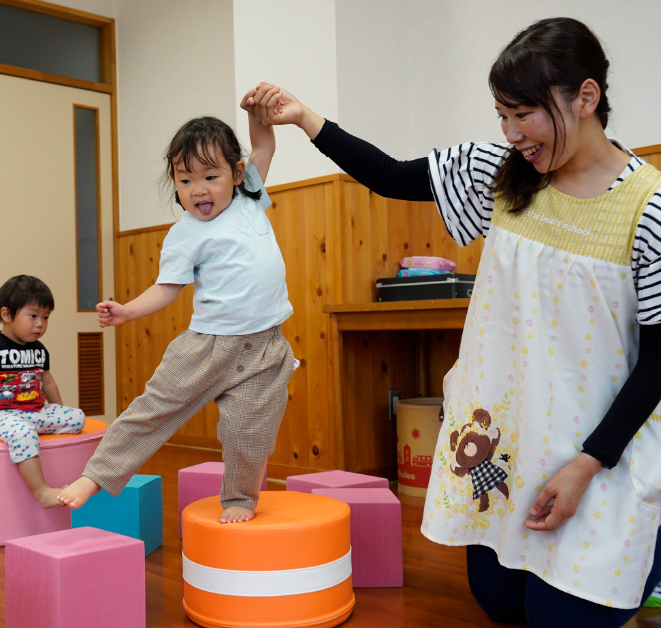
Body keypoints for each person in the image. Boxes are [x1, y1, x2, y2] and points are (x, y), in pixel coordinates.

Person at [245, 16, 661, 628]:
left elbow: (658, 360)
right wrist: (307, 118)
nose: (512, 132)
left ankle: (649, 548)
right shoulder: (501, 171)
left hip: (599, 449)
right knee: (498, 602)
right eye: (502, 115)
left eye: (525, 114)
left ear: (587, 98)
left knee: (558, 619)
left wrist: (587, 463)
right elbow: (388, 176)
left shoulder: (648, 206)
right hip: (513, 437)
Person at [58, 95, 297, 524]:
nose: (198, 189)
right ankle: (95, 476)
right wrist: (128, 311)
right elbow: (166, 288)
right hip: (206, 347)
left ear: (237, 174)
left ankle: (240, 499)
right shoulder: (185, 234)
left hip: (265, 348)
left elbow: (265, 147)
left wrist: (254, 116)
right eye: (185, 181)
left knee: (249, 434)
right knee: (153, 411)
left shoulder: (249, 199)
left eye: (210, 176)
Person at [0, 275, 86, 508]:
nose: (40, 324)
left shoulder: (39, 349)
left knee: (77, 417)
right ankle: (42, 492)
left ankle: (34, 430)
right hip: (0, 414)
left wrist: (59, 407)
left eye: (46, 317)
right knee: (23, 433)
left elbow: (47, 381)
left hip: (34, 412)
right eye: (33, 316)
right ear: (7, 315)